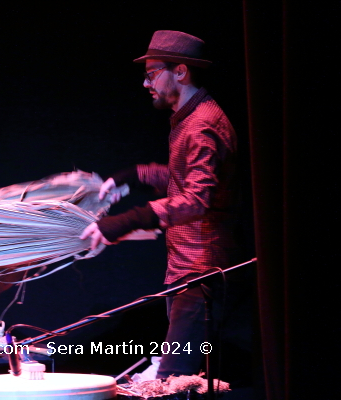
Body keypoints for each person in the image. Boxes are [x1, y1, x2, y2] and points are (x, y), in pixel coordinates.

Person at [80, 30, 238, 378]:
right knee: (178, 377)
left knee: (174, 379)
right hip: (185, 267)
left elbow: (196, 199)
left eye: (152, 74)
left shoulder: (202, 125)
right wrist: (136, 175)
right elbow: (186, 177)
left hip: (201, 270)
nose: (146, 83)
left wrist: (128, 220)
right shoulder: (188, 120)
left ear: (180, 71)